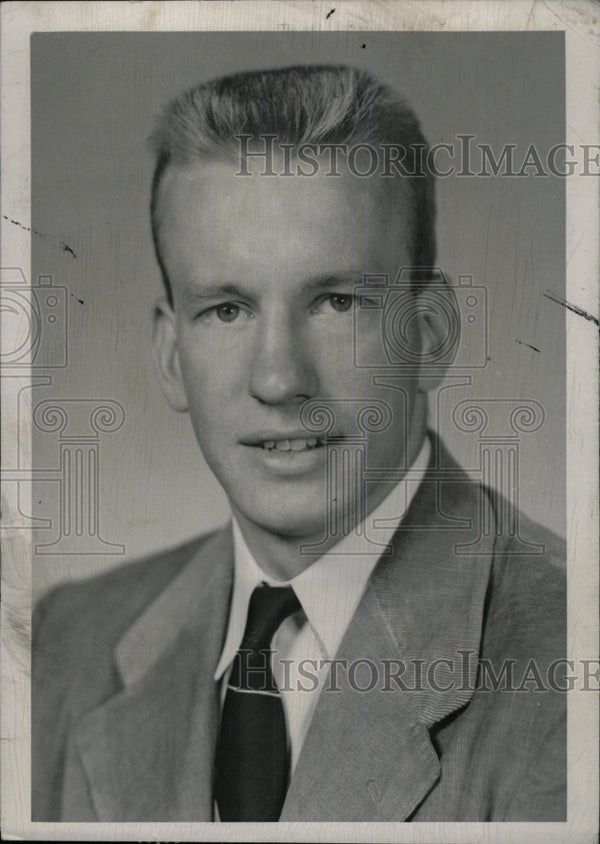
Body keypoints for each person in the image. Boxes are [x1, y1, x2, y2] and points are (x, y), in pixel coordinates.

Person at [32, 65, 566, 822]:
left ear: (430, 334)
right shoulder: (61, 646)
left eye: (336, 301)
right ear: (170, 357)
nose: (280, 380)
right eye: (226, 310)